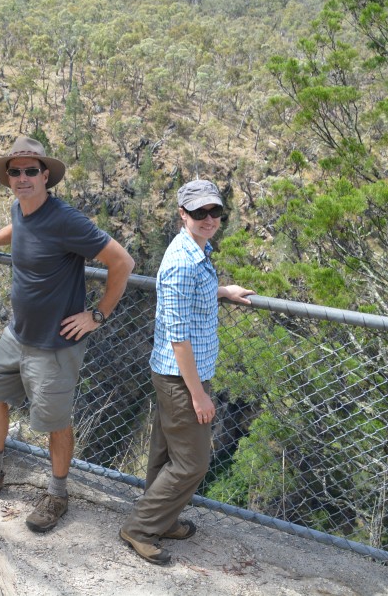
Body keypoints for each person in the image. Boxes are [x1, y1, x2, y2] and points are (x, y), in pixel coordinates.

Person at [0, 136, 135, 533]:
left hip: (54, 344)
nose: (22, 178)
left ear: (46, 176)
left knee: (55, 421)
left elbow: (122, 261)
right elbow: (16, 227)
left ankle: (57, 494)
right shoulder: (21, 209)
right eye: (15, 172)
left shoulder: (66, 219)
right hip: (18, 333)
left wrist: (97, 315)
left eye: (31, 170)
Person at [119, 179, 255, 565]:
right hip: (181, 377)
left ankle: (161, 520)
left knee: (166, 453)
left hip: (179, 373)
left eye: (215, 211)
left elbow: (190, 298)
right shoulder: (182, 261)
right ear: (183, 215)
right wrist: (198, 395)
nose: (209, 219)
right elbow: (179, 338)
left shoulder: (196, 250)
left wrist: (223, 291)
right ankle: (140, 528)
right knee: (193, 462)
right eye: (199, 213)